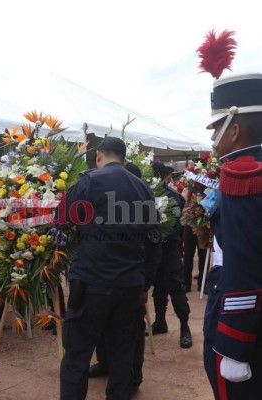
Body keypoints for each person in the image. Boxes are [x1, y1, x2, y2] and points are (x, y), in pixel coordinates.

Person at [57, 137, 158, 399]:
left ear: (99, 155)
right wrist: (145, 282)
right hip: (129, 284)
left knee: (77, 355)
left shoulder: (89, 181)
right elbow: (153, 240)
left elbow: (62, 220)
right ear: (124, 160)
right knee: (123, 354)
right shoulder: (143, 189)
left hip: (92, 282)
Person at [202, 73, 262, 399]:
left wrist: (233, 345)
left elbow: (243, 267)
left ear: (234, 130)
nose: (213, 139)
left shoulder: (243, 174)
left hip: (244, 327)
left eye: (216, 128)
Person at [88, 160, 162, 397]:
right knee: (103, 326)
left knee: (131, 332)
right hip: (105, 280)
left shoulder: (145, 210)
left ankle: (134, 376)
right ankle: (106, 364)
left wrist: (146, 285)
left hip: (132, 281)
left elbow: (153, 249)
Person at [150, 162, 193, 348]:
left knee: (176, 288)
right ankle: (160, 322)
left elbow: (173, 226)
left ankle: (185, 326)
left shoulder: (173, 196)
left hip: (169, 250)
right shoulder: (145, 194)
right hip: (153, 250)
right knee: (158, 288)